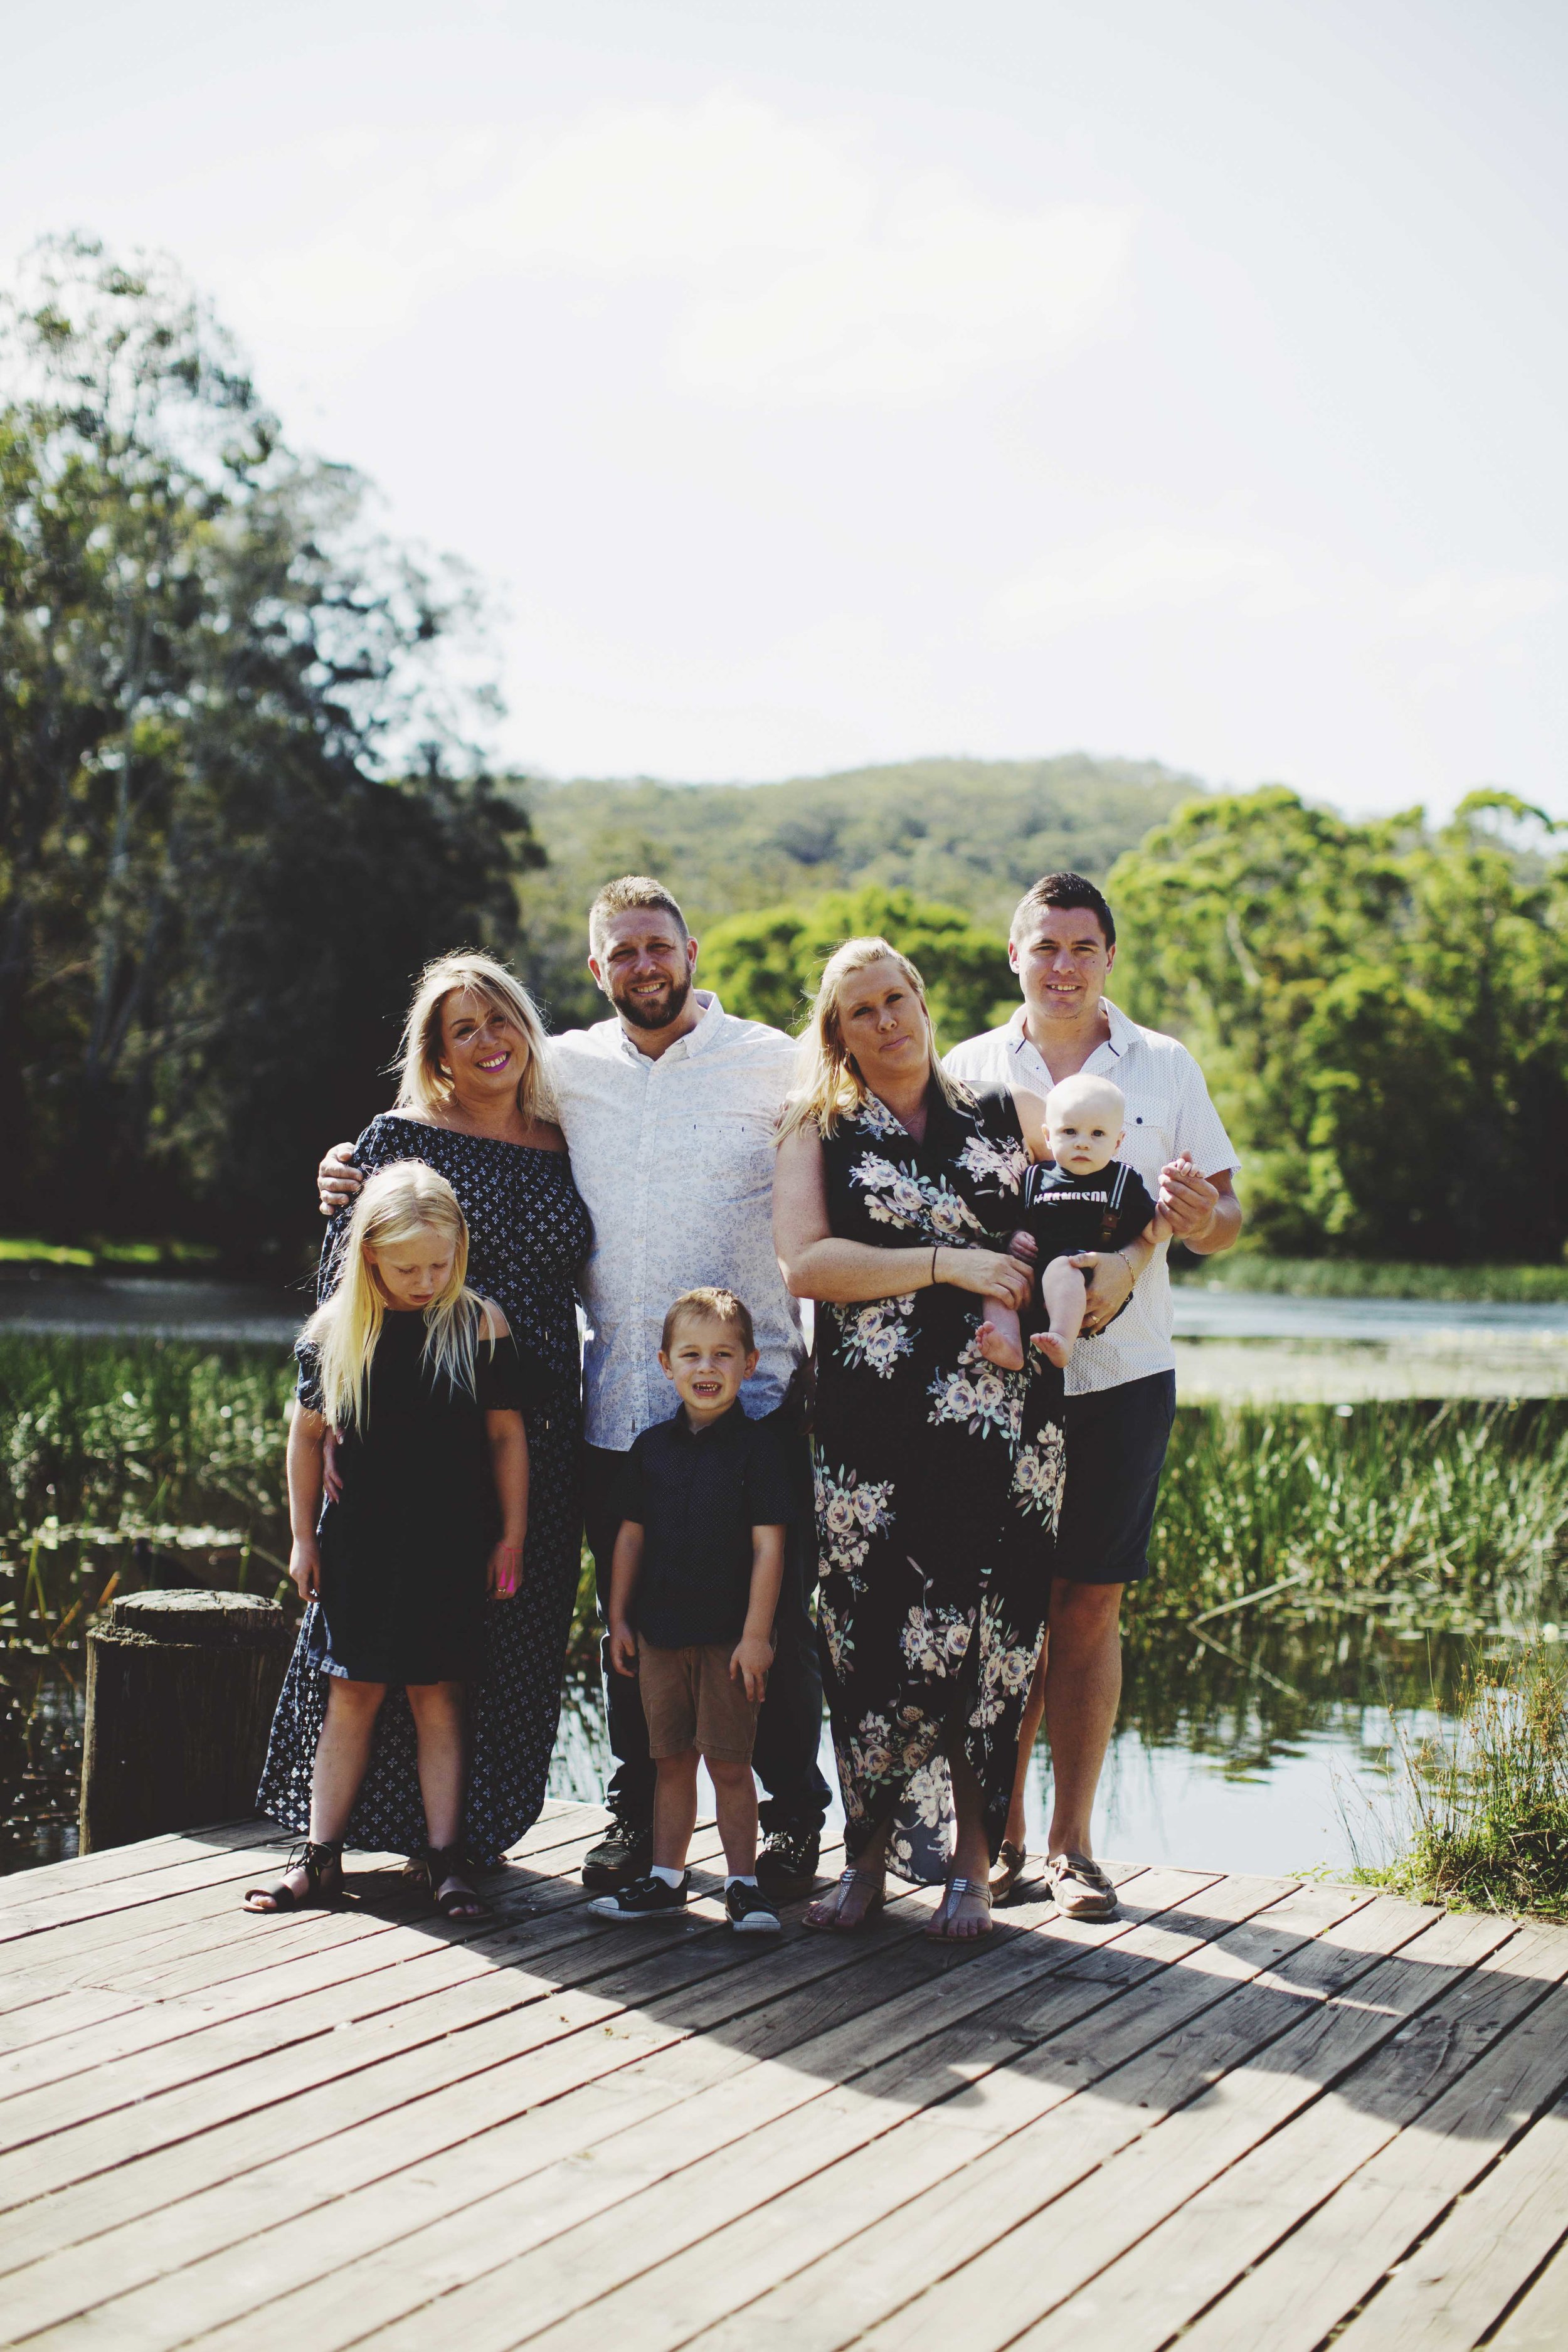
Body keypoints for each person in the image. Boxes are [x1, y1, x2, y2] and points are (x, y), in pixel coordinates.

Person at [317, 886, 830, 1897]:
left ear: (691, 950)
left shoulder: (774, 1059)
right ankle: (635, 1821)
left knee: (773, 1626)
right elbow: (451, 1115)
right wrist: (346, 1169)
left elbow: (868, 1132)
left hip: (753, 1401)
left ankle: (797, 1824)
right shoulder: (572, 1071)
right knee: (628, 1623)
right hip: (614, 1409)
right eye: (621, 953)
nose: (643, 965)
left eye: (657, 946)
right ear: (597, 972)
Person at [946, 872, 1242, 1917]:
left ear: (1110, 955)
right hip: (998, 1383)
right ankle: (1000, 1837)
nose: (1063, 965)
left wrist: (1193, 1220)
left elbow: (1225, 1214)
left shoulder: (1163, 1066)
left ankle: (1072, 1845)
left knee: (1088, 1603)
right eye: (1045, 946)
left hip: (1125, 1379)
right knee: (1000, 1605)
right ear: (1013, 954)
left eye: (1083, 946)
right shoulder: (965, 1070)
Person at [773, 936, 1067, 1941]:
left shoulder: (1010, 1113)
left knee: (988, 1641)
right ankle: (864, 1864)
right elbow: (807, 1264)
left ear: (925, 1002)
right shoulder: (816, 1127)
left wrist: (1068, 1282)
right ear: (838, 1032)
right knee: (866, 1640)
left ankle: (973, 1870)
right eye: (862, 1010)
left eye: (897, 998)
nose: (887, 1020)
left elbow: (1081, 1218)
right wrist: (949, 1262)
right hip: (871, 1434)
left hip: (1003, 1425)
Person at [271, 952, 591, 1866]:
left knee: (508, 1624)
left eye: (503, 1020)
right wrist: (333, 1421)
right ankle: (354, 1833)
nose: (490, 1040)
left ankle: (465, 1839)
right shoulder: (392, 1140)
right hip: (411, 1431)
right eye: (465, 1028)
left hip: (539, 1419)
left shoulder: (573, 1132)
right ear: (437, 1051)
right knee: (377, 1633)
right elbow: (347, 1293)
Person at [245, 1164, 531, 1919]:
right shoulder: (335, 1333)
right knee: (352, 1693)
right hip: (360, 1548)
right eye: (407, 1266)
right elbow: (305, 1439)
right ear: (368, 1252)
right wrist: (303, 1541)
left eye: (440, 1264)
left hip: (450, 1546)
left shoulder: (478, 1323)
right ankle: (318, 1856)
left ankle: (444, 1861)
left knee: (440, 1697)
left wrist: (512, 1535)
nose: (426, 1280)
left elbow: (507, 1438)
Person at [590, 1288, 792, 1934]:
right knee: (670, 1761)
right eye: (692, 1355)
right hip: (659, 1635)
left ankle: (743, 1886)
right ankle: (667, 1880)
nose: (708, 1368)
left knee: (730, 1765)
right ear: (665, 1364)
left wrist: (757, 1635)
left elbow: (770, 1546)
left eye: (723, 1355)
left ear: (750, 1363)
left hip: (729, 1640)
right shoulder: (651, 1450)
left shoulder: (761, 1451)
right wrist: (617, 1619)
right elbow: (628, 1538)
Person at [976, 1074, 1170, 1373]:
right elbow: (1018, 1223)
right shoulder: (1034, 1177)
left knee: (1062, 1268)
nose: (1082, 1143)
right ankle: (1010, 1343)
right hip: (1035, 1274)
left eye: (1097, 1134)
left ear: (1118, 1142)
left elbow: (1154, 1231)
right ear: (1048, 1136)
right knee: (996, 1283)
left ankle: (1063, 1340)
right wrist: (1017, 1237)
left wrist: (1172, 1204)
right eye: (1070, 1131)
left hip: (1083, 1277)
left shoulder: (1122, 1181)